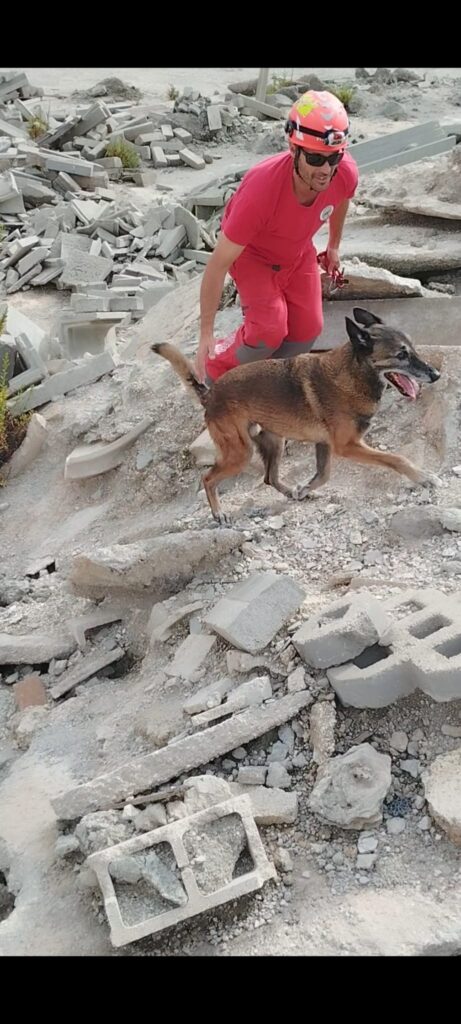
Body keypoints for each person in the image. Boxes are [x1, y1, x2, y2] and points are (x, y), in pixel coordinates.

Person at [195, 89, 359, 383]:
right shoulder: (261, 192)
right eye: (315, 158)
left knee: (306, 332)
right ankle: (215, 374)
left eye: (334, 158)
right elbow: (217, 265)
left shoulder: (343, 173)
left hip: (297, 252)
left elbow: (342, 198)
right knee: (267, 332)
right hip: (254, 257)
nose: (326, 170)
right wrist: (206, 333)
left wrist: (333, 246)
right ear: (294, 149)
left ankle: (264, 385)